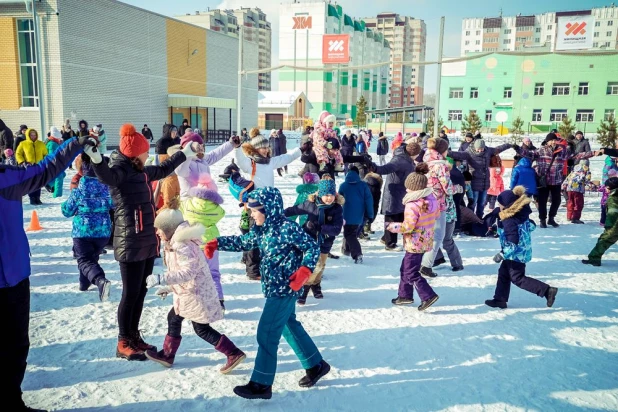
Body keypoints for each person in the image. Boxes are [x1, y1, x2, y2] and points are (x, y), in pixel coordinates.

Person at [205, 187, 329, 400]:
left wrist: (305, 270)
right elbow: (245, 242)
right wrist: (218, 242)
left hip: (286, 288)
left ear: (268, 209)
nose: (251, 214)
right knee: (289, 326)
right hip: (274, 287)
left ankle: (261, 383)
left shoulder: (287, 228)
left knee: (267, 332)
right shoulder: (262, 229)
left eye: (254, 210)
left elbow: (312, 247)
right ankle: (315, 364)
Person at [88, 123, 198, 361]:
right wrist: (97, 160)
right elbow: (107, 176)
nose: (148, 153)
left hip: (146, 240)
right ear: (135, 152)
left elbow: (163, 168)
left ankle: (134, 336)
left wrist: (184, 154)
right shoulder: (120, 170)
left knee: (140, 292)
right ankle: (123, 341)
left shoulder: (139, 169)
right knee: (130, 294)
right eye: (144, 150)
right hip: (130, 241)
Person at [1, 135, 91, 412]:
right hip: (10, 277)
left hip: (12, 274)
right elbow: (46, 169)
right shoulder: (6, 179)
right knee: (13, 344)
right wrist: (75, 143)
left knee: (15, 346)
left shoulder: (6, 177)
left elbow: (46, 169)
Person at [145, 207, 246, 372]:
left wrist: (161, 278)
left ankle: (233, 353)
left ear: (170, 229)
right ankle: (168, 355)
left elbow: (189, 272)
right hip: (188, 293)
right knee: (174, 318)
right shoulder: (174, 243)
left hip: (196, 294)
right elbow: (180, 270)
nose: (157, 232)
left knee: (201, 329)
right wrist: (169, 288)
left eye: (160, 229)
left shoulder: (182, 245)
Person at [235, 128, 301, 280]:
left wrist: (300, 150)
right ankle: (252, 271)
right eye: (262, 147)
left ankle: (249, 260)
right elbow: (239, 160)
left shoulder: (269, 161)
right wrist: (237, 148)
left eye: (266, 147)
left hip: (268, 206)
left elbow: (286, 158)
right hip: (255, 206)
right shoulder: (250, 163)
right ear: (254, 149)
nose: (265, 150)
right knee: (255, 237)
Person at [485, 186, 558, 309]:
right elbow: (531, 225)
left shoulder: (509, 220)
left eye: (500, 203)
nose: (499, 205)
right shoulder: (520, 214)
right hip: (520, 252)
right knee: (503, 273)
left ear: (507, 206)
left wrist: (502, 254)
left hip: (515, 254)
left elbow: (512, 241)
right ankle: (500, 299)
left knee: (518, 278)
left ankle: (546, 290)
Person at [387, 163, 440, 311]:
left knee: (411, 272)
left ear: (415, 189)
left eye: (408, 187)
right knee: (405, 268)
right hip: (425, 240)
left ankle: (428, 295)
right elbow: (436, 215)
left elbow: (408, 227)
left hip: (414, 242)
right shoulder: (432, 199)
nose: (406, 189)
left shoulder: (413, 204)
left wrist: (392, 226)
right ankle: (405, 295)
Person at [61, 155, 113, 301]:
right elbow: (114, 205)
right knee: (91, 258)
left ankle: (100, 280)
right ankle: (83, 284)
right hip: (103, 232)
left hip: (82, 232)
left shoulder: (78, 192)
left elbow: (66, 211)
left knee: (84, 260)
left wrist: (64, 205)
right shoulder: (107, 190)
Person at [284, 176, 344, 304]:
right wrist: (279, 214)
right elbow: (294, 210)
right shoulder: (310, 204)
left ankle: (316, 285)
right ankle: (304, 289)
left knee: (321, 266)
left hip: (325, 241)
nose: (329, 198)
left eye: (332, 195)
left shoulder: (336, 209)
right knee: (314, 266)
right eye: (326, 195)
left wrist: (320, 227)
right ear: (320, 194)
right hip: (310, 241)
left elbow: (337, 229)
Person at [520, 133, 594, 228]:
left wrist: (593, 153)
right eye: (551, 140)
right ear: (547, 141)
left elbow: (576, 155)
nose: (553, 142)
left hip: (556, 180)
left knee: (557, 201)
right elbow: (527, 153)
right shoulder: (541, 150)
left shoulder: (562, 150)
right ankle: (542, 220)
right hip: (544, 181)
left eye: (555, 140)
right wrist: (517, 148)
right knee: (542, 201)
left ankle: (551, 218)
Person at [370, 142, 420, 251]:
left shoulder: (407, 159)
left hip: (401, 192)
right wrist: (375, 168)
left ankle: (385, 238)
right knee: (392, 217)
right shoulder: (399, 159)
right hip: (393, 194)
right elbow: (387, 168)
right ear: (414, 153)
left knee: (400, 217)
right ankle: (390, 244)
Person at [449, 139, 514, 218]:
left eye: (481, 149)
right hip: (474, 183)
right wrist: (446, 152)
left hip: (485, 182)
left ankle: (479, 219)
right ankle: (470, 220)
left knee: (482, 204)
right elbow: (457, 154)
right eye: (478, 149)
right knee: (473, 203)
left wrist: (509, 145)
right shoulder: (469, 153)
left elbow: (499, 148)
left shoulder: (488, 151)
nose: (480, 151)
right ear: (475, 147)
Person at [420, 138, 454, 277]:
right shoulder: (441, 165)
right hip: (437, 203)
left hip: (424, 201)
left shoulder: (425, 162)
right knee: (438, 236)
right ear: (442, 151)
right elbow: (448, 187)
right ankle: (426, 265)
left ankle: (421, 262)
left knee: (426, 233)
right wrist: (456, 188)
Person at [338, 167, 374, 264]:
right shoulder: (363, 185)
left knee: (349, 234)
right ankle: (346, 250)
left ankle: (357, 254)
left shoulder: (343, 186)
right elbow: (369, 200)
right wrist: (370, 214)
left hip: (346, 214)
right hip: (359, 215)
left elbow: (338, 200)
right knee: (351, 233)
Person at [583, 176, 618, 266]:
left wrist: (608, 226)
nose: (605, 189)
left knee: (604, 240)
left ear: (610, 188)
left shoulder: (613, 198)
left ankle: (594, 259)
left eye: (606, 187)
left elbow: (612, 213)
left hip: (614, 225)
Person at [16, 128, 48, 205]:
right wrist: (22, 162)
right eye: (31, 135)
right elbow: (18, 153)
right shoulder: (23, 144)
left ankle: (37, 198)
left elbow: (46, 154)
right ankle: (32, 198)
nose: (33, 136)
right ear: (28, 135)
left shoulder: (41, 144)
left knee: (39, 182)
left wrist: (45, 162)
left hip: (39, 166)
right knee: (31, 183)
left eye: (34, 135)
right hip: (28, 166)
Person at [562, 160, 591, 224]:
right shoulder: (585, 171)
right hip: (578, 190)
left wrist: (564, 185)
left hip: (569, 189)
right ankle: (575, 218)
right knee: (578, 203)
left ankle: (569, 216)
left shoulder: (574, 171)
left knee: (570, 202)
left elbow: (567, 178)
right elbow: (585, 180)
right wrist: (589, 182)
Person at [44, 127, 66, 198]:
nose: (60, 140)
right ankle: (57, 195)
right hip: (53, 163)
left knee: (62, 174)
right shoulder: (52, 144)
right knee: (59, 176)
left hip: (55, 162)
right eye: (59, 138)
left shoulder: (53, 142)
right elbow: (52, 155)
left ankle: (49, 184)